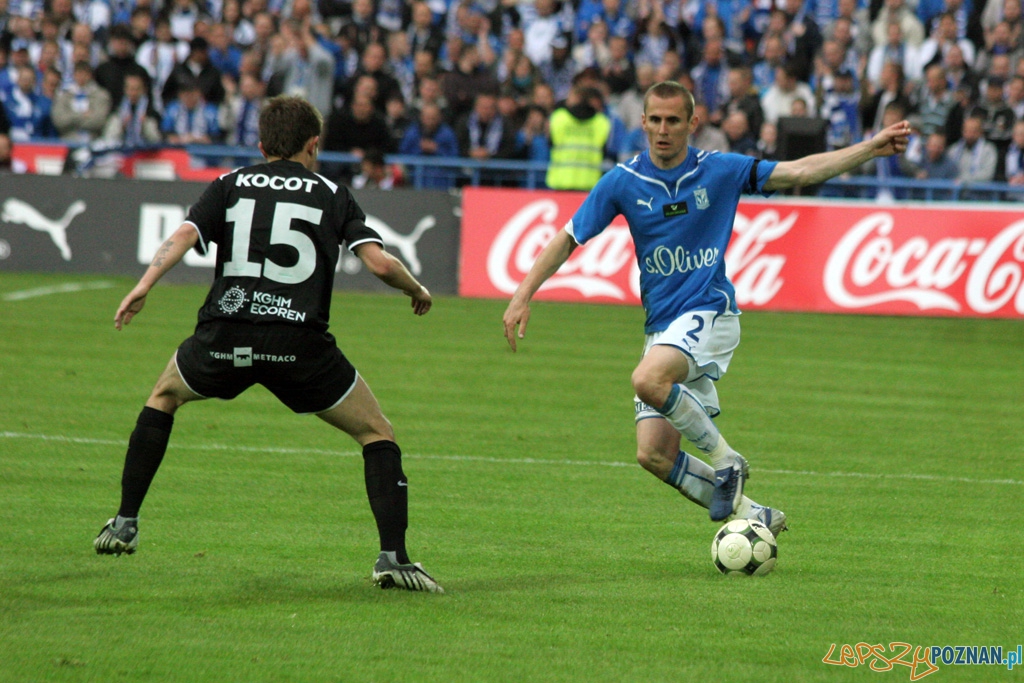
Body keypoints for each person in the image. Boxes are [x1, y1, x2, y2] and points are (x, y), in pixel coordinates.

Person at [502, 81, 911, 537]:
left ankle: (728, 461)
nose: (662, 130)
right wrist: (523, 294)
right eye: (654, 120)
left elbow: (798, 172)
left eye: (673, 121)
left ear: (692, 124)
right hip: (662, 327)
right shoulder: (623, 181)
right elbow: (568, 237)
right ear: (642, 122)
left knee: (646, 378)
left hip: (709, 312)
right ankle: (757, 515)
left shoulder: (718, 171)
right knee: (653, 455)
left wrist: (870, 149)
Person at [93, 95, 442, 594]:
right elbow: (381, 264)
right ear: (313, 144)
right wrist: (418, 290)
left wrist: (145, 283)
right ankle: (394, 558)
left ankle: (124, 522)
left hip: (225, 334)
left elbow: (185, 236)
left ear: (260, 145)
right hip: (299, 345)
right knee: (377, 433)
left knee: (164, 396)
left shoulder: (228, 184)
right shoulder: (331, 192)